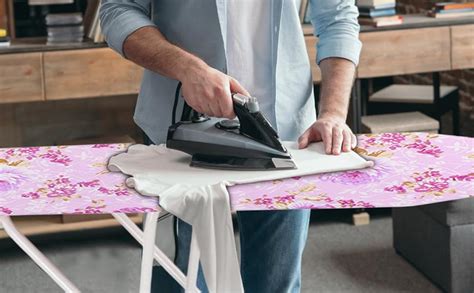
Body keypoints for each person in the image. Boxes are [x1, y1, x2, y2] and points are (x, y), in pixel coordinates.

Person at [100, 0, 361, 292]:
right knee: (181, 278)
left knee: (275, 283)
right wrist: (187, 68)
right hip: (181, 138)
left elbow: (337, 17)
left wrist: (334, 114)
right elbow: (117, 10)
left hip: (285, 135)